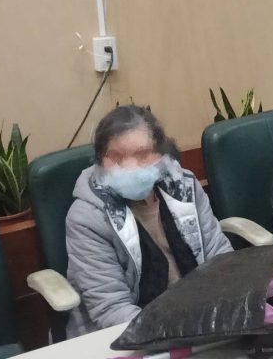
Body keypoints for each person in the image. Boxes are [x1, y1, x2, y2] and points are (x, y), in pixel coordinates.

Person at [65, 105, 232, 338]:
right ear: (99, 162)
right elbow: (111, 308)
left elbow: (220, 258)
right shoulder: (87, 217)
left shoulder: (185, 187)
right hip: (127, 332)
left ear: (161, 155)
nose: (130, 167)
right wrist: (176, 332)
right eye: (116, 157)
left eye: (142, 154)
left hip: (197, 317)